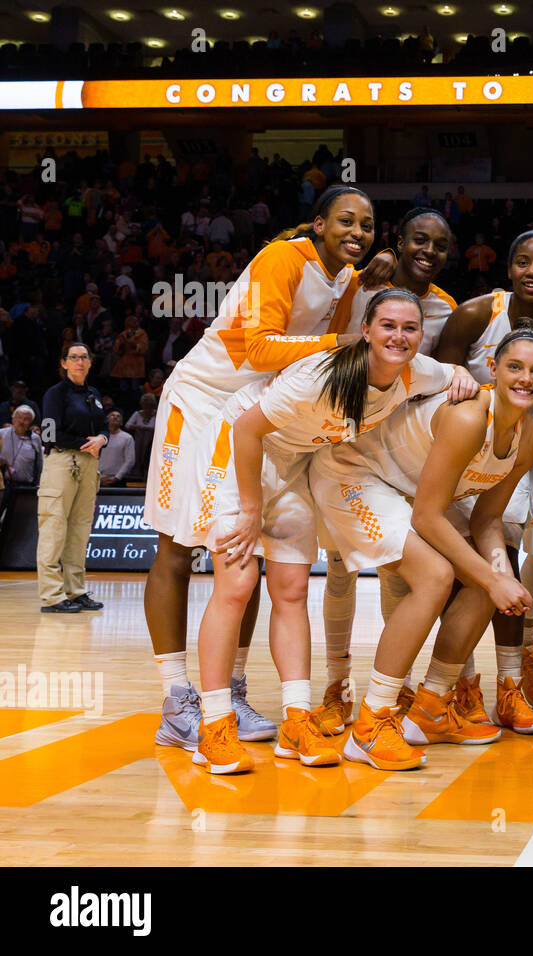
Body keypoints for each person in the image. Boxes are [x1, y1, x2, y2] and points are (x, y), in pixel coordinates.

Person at [187, 289, 471, 775]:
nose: (399, 336)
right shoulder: (322, 376)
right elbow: (246, 431)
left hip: (294, 460)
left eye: (409, 328)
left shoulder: (418, 369)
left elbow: (455, 374)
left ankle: (296, 718)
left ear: (421, 335)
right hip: (238, 450)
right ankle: (213, 728)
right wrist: (251, 508)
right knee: (236, 584)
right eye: (388, 326)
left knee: (293, 588)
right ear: (366, 330)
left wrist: (463, 376)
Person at [144, 186, 382, 754]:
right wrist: (343, 340)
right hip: (201, 396)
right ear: (318, 224)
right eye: (345, 221)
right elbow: (260, 349)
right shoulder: (281, 259)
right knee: (176, 549)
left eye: (367, 225)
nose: (357, 232)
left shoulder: (348, 282)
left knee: (241, 553)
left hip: (253, 410)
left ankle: (231, 688)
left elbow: (329, 360)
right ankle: (176, 697)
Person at [313, 329, 533, 762]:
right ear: (492, 370)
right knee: (437, 576)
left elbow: (487, 518)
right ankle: (370, 724)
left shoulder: (530, 438)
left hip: (407, 490)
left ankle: (430, 708)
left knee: (487, 581)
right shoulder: (468, 418)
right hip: (354, 475)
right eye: (514, 367)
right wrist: (493, 577)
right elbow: (427, 517)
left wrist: (498, 574)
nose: (525, 379)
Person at [313, 206, 460, 735]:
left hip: (400, 447)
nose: (428, 252)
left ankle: (391, 688)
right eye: (419, 240)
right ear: (399, 241)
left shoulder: (444, 309)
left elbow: (438, 373)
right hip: (338, 439)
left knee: (402, 571)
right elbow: (322, 340)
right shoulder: (358, 284)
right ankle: (337, 686)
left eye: (439, 246)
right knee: (338, 570)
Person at [432, 230, 533, 713]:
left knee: (502, 559)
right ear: (508, 269)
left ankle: (510, 685)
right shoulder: (475, 313)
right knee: (463, 574)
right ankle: (461, 687)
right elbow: (436, 386)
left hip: (518, 453)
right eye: (524, 262)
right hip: (461, 449)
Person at [37, 342, 108, 614]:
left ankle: (75, 591)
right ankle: (52, 596)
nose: (79, 362)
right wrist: (85, 442)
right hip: (62, 462)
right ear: (64, 363)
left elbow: (103, 426)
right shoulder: (55, 394)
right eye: (74, 358)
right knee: (54, 529)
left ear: (90, 363)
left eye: (84, 357)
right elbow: (48, 434)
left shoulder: (93, 393)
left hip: (89, 463)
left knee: (79, 530)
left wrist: (103, 438)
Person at [0, 403, 42, 526]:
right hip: (4, 486)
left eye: (26, 419)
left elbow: (39, 464)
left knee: (18, 525)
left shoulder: (35, 439)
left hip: (26, 487)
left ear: (31, 422)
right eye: (19, 417)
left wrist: (39, 485)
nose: (22, 421)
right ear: (13, 419)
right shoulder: (2, 434)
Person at [98, 410, 135, 485]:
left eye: (118, 416)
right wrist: (99, 477)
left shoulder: (127, 438)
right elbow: (94, 457)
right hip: (98, 478)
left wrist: (117, 477)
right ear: (107, 420)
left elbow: (130, 460)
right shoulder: (100, 437)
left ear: (121, 422)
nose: (115, 417)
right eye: (112, 415)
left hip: (118, 480)